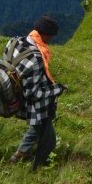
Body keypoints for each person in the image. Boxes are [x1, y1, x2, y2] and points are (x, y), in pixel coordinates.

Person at [8, 15, 68, 169]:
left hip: (18, 94)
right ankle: (38, 168)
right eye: (51, 36)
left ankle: (20, 155)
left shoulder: (16, 41)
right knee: (49, 141)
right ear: (45, 34)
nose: (51, 40)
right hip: (36, 104)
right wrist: (57, 89)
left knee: (37, 128)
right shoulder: (36, 57)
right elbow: (33, 93)